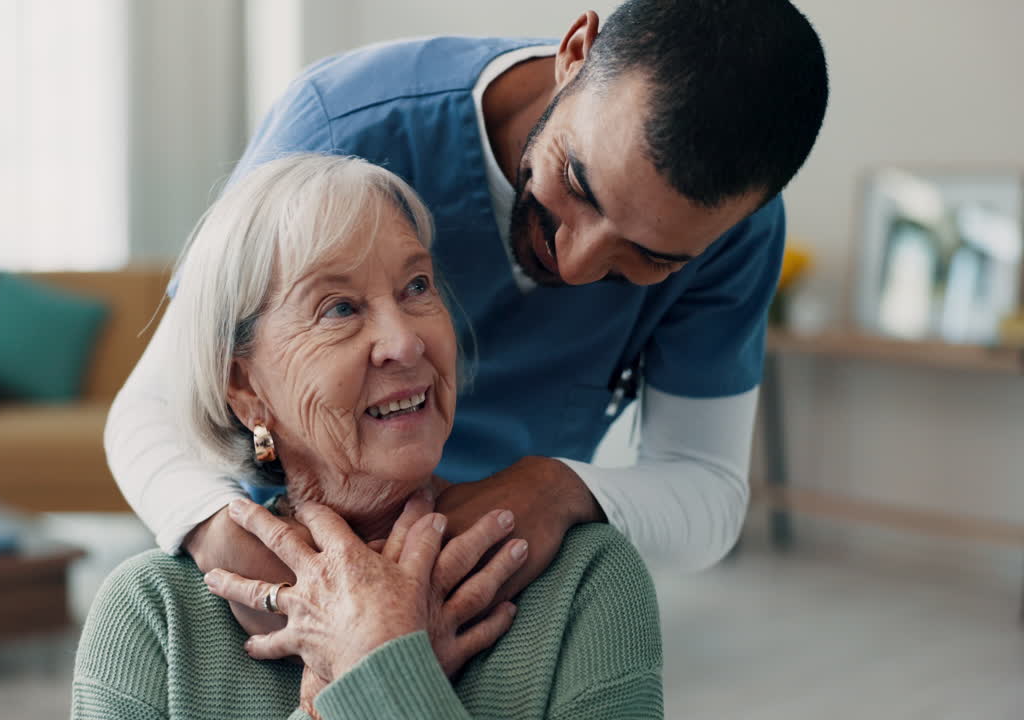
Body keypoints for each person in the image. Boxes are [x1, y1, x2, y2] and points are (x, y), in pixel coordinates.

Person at [105, 0, 830, 632]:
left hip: (500, 592)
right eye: (577, 183)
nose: (576, 267)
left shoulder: (736, 241)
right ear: (575, 54)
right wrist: (222, 531)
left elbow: (706, 486)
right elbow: (158, 406)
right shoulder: (347, 123)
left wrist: (558, 489)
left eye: (650, 258)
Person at [73, 154, 662, 719]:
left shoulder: (587, 579)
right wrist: (367, 672)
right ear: (245, 386)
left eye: (416, 287)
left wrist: (375, 658)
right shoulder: (152, 615)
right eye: (339, 309)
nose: (406, 342)